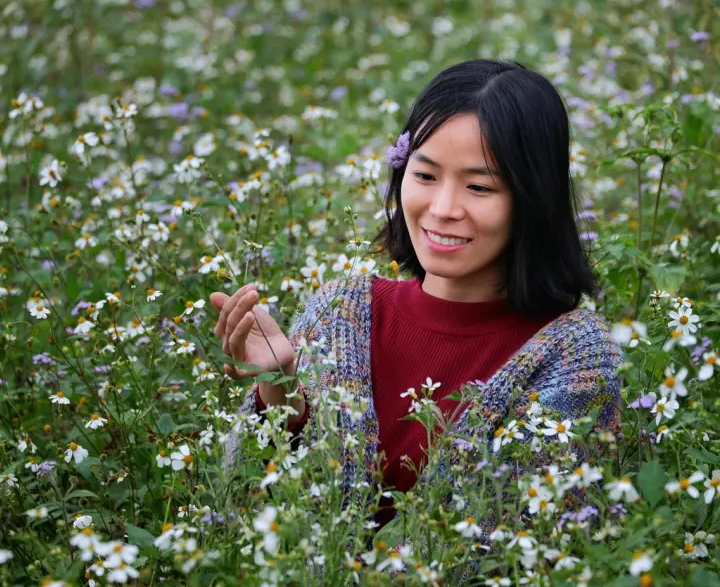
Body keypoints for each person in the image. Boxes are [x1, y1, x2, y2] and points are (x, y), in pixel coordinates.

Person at [211, 59, 623, 532]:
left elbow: (522, 548)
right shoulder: (339, 312)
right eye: (425, 176)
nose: (443, 209)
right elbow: (235, 520)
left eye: (479, 186)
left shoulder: (573, 357)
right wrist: (278, 391)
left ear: (533, 199)